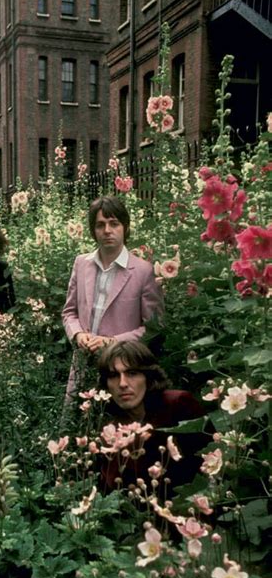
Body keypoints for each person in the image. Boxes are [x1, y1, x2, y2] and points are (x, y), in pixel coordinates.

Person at [62, 195, 163, 401]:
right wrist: (78, 335)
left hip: (122, 370)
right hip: (83, 365)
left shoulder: (143, 271)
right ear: (93, 230)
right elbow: (69, 312)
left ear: (125, 227)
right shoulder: (81, 264)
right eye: (100, 225)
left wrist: (113, 342)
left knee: (115, 426)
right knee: (75, 426)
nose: (107, 230)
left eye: (114, 224)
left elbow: (154, 327)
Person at [97, 341, 208, 493]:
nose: (122, 384)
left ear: (148, 377)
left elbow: (209, 462)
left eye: (132, 373)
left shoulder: (178, 405)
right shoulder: (111, 433)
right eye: (113, 375)